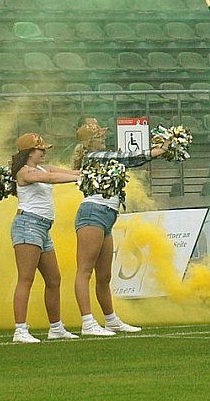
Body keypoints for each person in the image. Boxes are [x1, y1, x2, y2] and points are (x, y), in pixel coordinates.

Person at [69, 117, 169, 337]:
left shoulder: (98, 156)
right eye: (99, 136)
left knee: (104, 275)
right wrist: (159, 150)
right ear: (89, 142)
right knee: (85, 271)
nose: (104, 138)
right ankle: (87, 322)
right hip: (93, 214)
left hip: (105, 216)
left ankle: (111, 320)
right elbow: (128, 158)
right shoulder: (94, 156)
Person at [9, 133, 83, 343]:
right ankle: (20, 330)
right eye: (40, 149)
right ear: (29, 152)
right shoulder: (24, 172)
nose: (44, 153)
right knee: (26, 279)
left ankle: (56, 327)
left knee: (53, 279)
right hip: (27, 225)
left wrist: (90, 173)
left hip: (43, 228)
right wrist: (80, 178)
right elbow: (50, 179)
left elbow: (69, 173)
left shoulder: (43, 168)